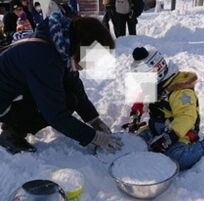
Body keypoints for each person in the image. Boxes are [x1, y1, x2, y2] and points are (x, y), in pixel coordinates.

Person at [0, 11, 122, 154]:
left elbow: (74, 85)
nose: (92, 65)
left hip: (17, 91)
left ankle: (16, 122)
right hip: (4, 101)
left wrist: (94, 120)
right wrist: (94, 137)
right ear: (82, 48)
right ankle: (13, 132)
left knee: (70, 98)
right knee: (60, 103)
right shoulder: (44, 58)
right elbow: (55, 114)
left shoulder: (62, 46)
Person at [124, 47, 204, 170]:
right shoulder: (154, 85)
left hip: (182, 130)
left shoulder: (180, 91)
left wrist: (169, 137)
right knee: (137, 143)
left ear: (157, 70)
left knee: (176, 158)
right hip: (157, 127)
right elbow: (142, 97)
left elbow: (187, 116)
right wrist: (135, 114)